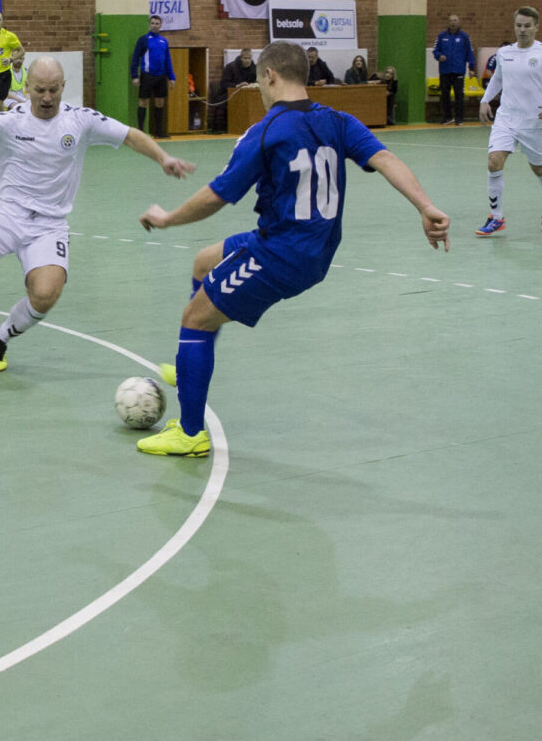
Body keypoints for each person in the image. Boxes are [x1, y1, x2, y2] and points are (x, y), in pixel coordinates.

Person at [135, 40, 450, 457]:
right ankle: (191, 361)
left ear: (269, 76)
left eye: (258, 81)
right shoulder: (338, 120)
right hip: (313, 248)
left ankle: (190, 433)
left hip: (280, 254)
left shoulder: (266, 131)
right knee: (204, 262)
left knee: (194, 320)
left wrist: (167, 218)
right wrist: (425, 206)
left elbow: (217, 196)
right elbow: (386, 159)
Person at [0, 58, 195, 373]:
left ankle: (0, 339)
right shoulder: (9, 121)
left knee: (45, 295)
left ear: (63, 86)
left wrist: (163, 158)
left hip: (50, 224)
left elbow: (130, 135)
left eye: (54, 89)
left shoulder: (81, 120)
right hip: (8, 213)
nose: (47, 97)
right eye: (40, 90)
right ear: (27, 87)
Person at [475, 6, 542, 236]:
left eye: (527, 26)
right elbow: (498, 79)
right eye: (519, 25)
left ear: (536, 27)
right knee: (494, 162)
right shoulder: (504, 53)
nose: (522, 30)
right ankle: (496, 217)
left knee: (538, 168)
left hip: (535, 121)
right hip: (506, 119)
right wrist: (485, 100)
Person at [130, 15, 175, 138]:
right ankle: (140, 132)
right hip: (147, 76)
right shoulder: (143, 40)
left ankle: (159, 132)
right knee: (143, 102)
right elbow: (135, 58)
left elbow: (168, 60)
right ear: (149, 25)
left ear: (160, 26)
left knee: (160, 102)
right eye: (153, 23)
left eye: (157, 24)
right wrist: (135, 75)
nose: (154, 25)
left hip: (161, 76)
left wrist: (171, 77)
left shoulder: (164, 41)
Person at [433, 13, 476, 125]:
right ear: (448, 23)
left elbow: (470, 52)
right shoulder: (441, 36)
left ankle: (459, 118)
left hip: (459, 71)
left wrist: (471, 68)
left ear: (459, 22)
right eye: (451, 21)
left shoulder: (464, 37)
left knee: (459, 95)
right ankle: (447, 117)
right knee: (445, 95)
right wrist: (439, 56)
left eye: (455, 20)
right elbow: (435, 50)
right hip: (445, 71)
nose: (453, 23)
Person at [216, 48, 259, 133]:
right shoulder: (230, 67)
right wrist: (237, 86)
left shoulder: (254, 68)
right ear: (241, 57)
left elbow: (256, 81)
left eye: (249, 58)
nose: (247, 61)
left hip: (248, 95)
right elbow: (223, 84)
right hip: (230, 93)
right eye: (245, 58)